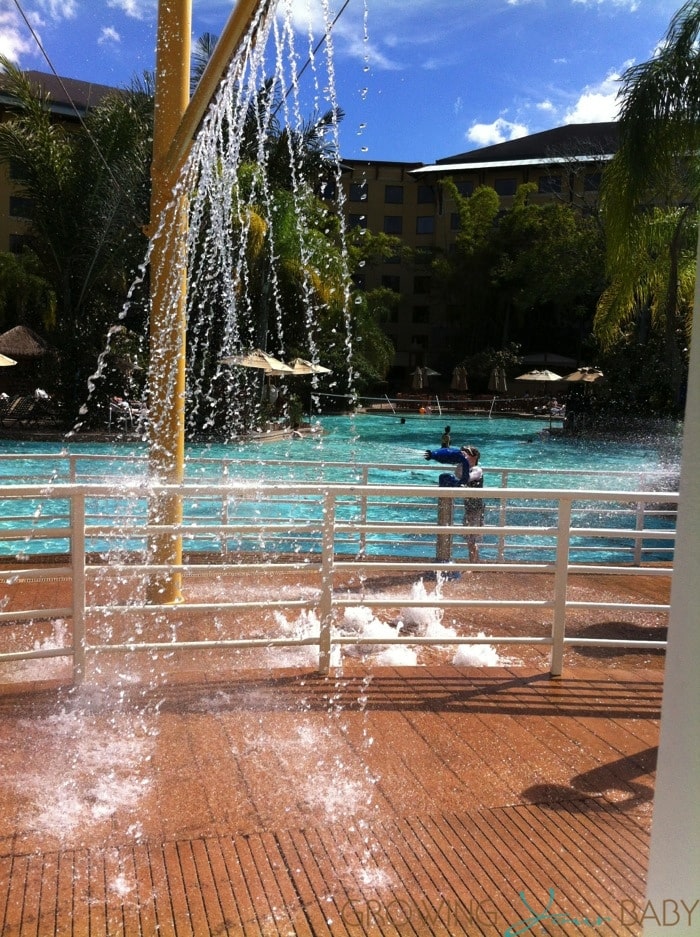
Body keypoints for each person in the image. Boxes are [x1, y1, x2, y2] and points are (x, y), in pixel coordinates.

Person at [424, 444, 484, 561]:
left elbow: (466, 479)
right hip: (469, 507)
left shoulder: (477, 470)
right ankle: (475, 562)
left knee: (472, 538)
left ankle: (474, 564)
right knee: (469, 537)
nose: (463, 455)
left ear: (475, 456)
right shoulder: (462, 467)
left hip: (476, 508)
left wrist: (463, 462)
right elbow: (458, 475)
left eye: (466, 453)